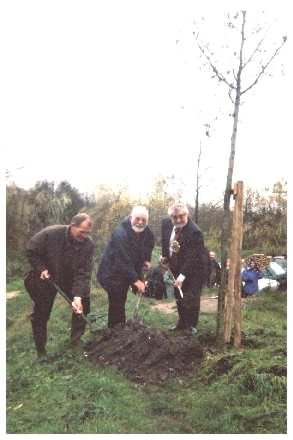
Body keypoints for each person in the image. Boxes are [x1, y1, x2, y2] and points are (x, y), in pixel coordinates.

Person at [24, 213, 94, 359]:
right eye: (82, 232)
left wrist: (78, 296)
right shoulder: (50, 234)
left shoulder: (88, 244)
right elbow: (31, 251)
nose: (85, 236)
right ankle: (41, 351)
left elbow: (84, 272)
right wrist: (41, 268)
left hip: (70, 278)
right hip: (46, 277)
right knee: (41, 312)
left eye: (88, 233)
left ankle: (76, 341)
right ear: (72, 226)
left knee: (83, 303)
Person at [97, 206, 155, 328]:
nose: (140, 222)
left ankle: (121, 329)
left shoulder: (146, 232)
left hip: (127, 268)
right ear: (130, 218)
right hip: (111, 272)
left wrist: (146, 260)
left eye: (144, 220)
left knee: (121, 299)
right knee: (117, 301)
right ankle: (115, 332)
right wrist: (136, 281)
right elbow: (123, 261)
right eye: (137, 219)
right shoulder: (120, 233)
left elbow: (149, 244)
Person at [160, 203, 208, 335]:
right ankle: (181, 323)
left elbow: (192, 257)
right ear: (170, 217)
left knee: (190, 296)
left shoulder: (194, 232)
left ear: (187, 215)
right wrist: (164, 256)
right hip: (176, 265)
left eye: (182, 216)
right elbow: (165, 241)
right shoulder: (166, 224)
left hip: (195, 269)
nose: (179, 220)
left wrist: (182, 276)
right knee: (178, 294)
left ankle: (191, 327)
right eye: (175, 217)